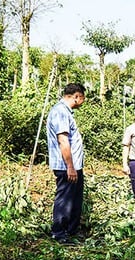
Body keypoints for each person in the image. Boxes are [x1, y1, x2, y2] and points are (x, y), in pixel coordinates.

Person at [46, 83, 87, 244]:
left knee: (74, 198)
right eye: (82, 98)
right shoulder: (60, 112)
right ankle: (59, 233)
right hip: (66, 166)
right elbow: (63, 140)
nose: (83, 102)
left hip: (74, 166)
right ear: (76, 97)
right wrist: (70, 166)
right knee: (65, 199)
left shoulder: (65, 112)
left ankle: (71, 231)